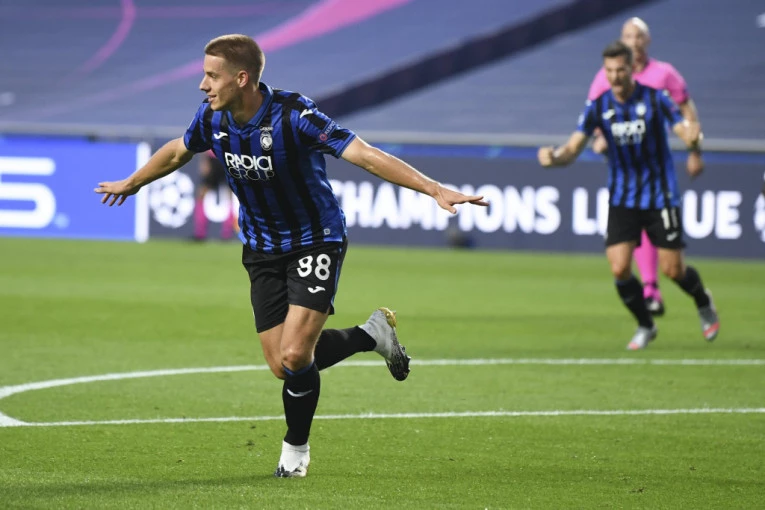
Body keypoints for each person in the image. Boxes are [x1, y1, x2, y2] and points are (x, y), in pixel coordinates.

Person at [95, 34, 488, 477]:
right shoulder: (212, 117)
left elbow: (364, 155)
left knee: (296, 355)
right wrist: (133, 182)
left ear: (242, 78)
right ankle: (370, 335)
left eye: (211, 76)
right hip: (261, 248)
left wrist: (432, 188)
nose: (203, 85)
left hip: (314, 239)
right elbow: (177, 150)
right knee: (282, 366)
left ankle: (295, 452)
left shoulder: (295, 115)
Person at [537, 40, 719, 351]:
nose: (615, 76)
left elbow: (683, 129)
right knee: (619, 268)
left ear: (631, 68)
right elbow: (573, 149)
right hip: (623, 198)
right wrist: (554, 158)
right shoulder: (598, 107)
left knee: (673, 270)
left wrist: (693, 142)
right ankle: (646, 325)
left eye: (620, 70)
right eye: (609, 71)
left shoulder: (655, 98)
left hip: (660, 195)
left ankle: (703, 301)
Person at [587, 17, 703, 317]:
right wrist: (599, 138)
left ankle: (656, 287)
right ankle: (650, 289)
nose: (634, 41)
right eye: (628, 36)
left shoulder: (664, 74)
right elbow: (594, 114)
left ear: (647, 40)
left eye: (638, 36)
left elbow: (685, 110)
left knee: (669, 259)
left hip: (655, 168)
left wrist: (694, 149)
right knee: (625, 247)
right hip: (624, 169)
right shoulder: (606, 75)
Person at [193, 150, 238, 241]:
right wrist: (205, 161)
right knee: (202, 194)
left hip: (227, 158)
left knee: (229, 195)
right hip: (215, 159)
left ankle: (226, 233)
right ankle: (200, 233)